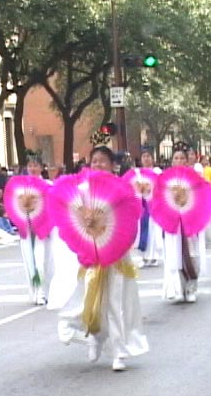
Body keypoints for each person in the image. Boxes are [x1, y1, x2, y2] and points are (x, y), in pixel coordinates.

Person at [57, 146, 149, 372]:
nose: (98, 165)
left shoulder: (121, 190)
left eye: (102, 161)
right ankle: (94, 337)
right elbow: (72, 215)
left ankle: (119, 352)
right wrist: (86, 223)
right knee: (89, 299)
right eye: (94, 161)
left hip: (117, 255)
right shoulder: (82, 189)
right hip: (92, 254)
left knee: (116, 304)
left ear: (113, 165)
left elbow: (130, 220)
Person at [161, 149, 207, 302]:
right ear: (172, 161)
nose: (179, 161)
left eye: (182, 158)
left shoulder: (194, 178)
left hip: (190, 221)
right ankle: (179, 288)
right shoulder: (165, 180)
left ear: (187, 161)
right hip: (173, 222)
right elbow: (159, 200)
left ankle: (191, 287)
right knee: (175, 255)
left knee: (192, 255)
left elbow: (201, 198)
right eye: (176, 158)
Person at [18, 155, 54, 305]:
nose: (32, 168)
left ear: (41, 167)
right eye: (30, 165)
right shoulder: (20, 187)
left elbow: (52, 206)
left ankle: (44, 291)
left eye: (35, 165)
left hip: (43, 229)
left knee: (43, 260)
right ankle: (36, 291)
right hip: (27, 228)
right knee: (30, 261)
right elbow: (15, 207)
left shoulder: (48, 185)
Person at [136, 149, 162, 268]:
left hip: (154, 205)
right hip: (142, 206)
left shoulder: (157, 171)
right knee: (143, 231)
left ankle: (154, 256)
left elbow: (161, 186)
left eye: (148, 156)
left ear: (152, 158)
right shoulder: (138, 174)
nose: (146, 158)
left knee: (154, 231)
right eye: (144, 156)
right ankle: (144, 257)